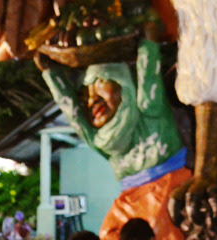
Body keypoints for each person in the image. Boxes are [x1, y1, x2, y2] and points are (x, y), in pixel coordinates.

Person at [43, 31, 189, 240]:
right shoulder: (103, 141)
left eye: (99, 85)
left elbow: (149, 75)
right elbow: (74, 116)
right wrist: (51, 73)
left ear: (122, 84)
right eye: (85, 97)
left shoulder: (149, 111)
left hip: (167, 189)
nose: (92, 101)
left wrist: (148, 41)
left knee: (160, 230)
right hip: (129, 201)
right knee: (107, 234)